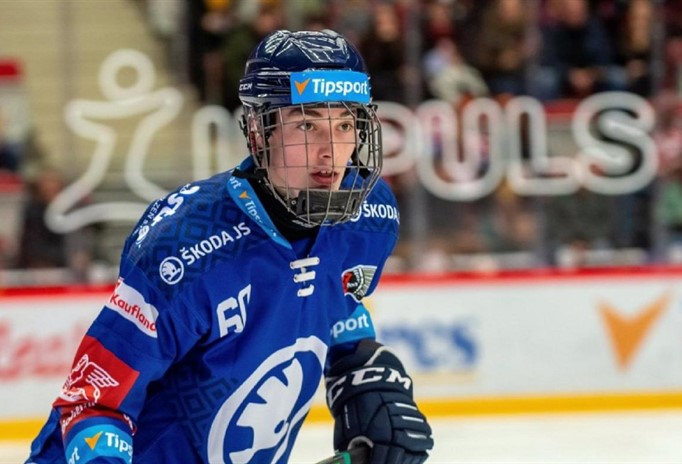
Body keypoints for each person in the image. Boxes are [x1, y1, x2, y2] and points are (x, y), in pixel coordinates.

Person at [26, 29, 434, 464]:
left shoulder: (369, 218)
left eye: (345, 125)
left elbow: (337, 300)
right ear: (260, 133)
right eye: (307, 125)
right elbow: (93, 402)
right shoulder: (186, 247)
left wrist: (360, 366)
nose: (330, 152)